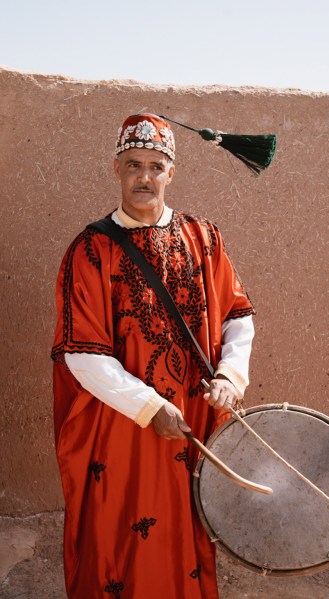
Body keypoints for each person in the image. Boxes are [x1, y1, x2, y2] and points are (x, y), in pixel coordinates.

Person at [51, 113, 255, 598]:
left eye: (155, 166)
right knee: (120, 540)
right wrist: (149, 407)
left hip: (193, 423)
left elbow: (237, 315)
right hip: (123, 430)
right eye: (133, 165)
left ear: (171, 173)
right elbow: (82, 353)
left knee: (187, 535)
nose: (145, 176)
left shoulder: (203, 239)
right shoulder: (90, 250)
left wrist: (230, 375)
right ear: (116, 169)